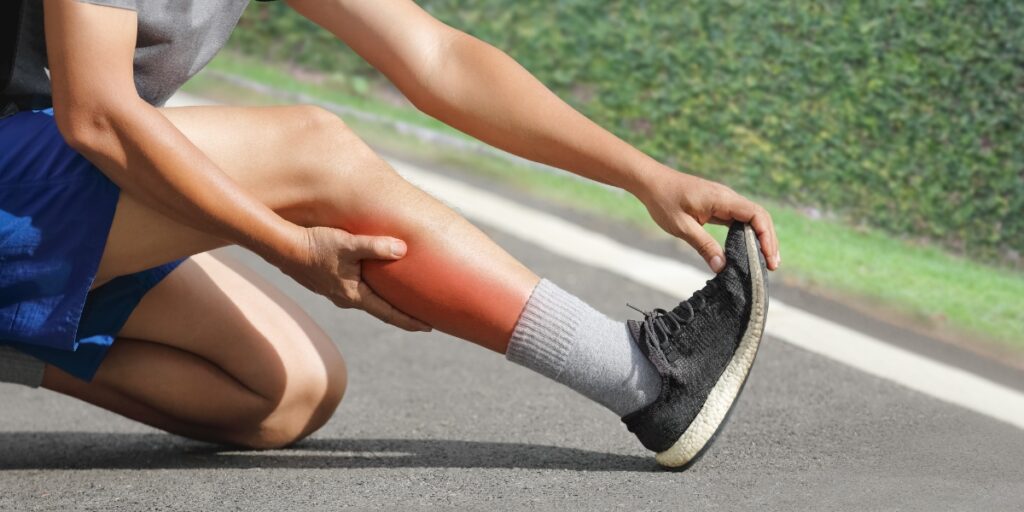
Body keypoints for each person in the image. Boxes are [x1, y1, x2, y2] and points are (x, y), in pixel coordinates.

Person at [0, 0, 779, 469]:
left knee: (285, 394)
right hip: (39, 153)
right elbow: (98, 114)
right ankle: (646, 380)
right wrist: (286, 243)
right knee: (312, 150)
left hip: (39, 180)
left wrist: (644, 175)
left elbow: (436, 58)